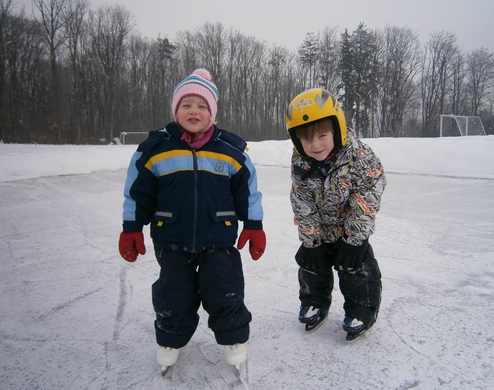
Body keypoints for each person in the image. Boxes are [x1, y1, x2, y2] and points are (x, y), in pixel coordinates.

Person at [118, 69, 266, 371]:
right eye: (186, 105)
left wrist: (253, 224)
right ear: (176, 110)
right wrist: (131, 227)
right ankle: (170, 338)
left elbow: (248, 191)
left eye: (202, 105)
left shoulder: (231, 150)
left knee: (226, 289)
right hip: (171, 238)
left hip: (220, 239)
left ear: (212, 112)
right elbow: (137, 192)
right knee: (173, 293)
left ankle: (233, 337)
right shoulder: (155, 149)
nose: (194, 111)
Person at [285, 88, 386, 342]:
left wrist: (355, 240)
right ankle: (314, 301)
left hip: (351, 228)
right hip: (320, 228)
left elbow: (368, 196)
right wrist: (310, 240)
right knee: (311, 264)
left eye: (322, 135)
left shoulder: (359, 157)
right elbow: (301, 201)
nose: (315, 145)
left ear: (338, 129)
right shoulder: (301, 163)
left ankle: (361, 308)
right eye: (307, 140)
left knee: (356, 267)